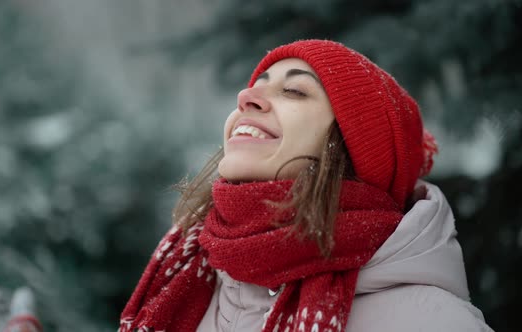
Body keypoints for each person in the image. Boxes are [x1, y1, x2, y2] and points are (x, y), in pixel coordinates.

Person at [119, 39, 493, 332]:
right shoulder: (187, 279)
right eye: (256, 87)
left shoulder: (433, 323)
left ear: (353, 147)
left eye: (295, 92)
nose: (245, 97)